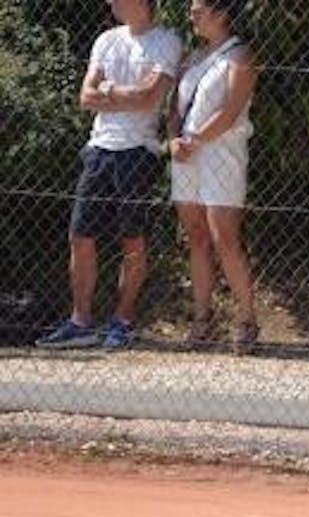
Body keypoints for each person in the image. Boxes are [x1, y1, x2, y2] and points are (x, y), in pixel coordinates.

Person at [36, 0, 182, 350]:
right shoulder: (106, 39)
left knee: (132, 240)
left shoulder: (167, 40)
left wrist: (108, 90)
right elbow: (85, 97)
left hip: (138, 152)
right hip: (99, 148)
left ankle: (123, 320)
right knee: (80, 236)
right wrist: (122, 94)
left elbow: (151, 99)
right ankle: (80, 321)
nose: (111, 2)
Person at [168, 0, 260, 354]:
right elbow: (175, 108)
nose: (191, 14)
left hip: (222, 154)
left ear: (221, 13)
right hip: (187, 154)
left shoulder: (240, 56)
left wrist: (195, 139)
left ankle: (248, 320)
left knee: (224, 236)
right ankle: (202, 319)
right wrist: (174, 138)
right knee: (196, 234)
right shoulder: (192, 57)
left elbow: (231, 109)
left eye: (199, 8)